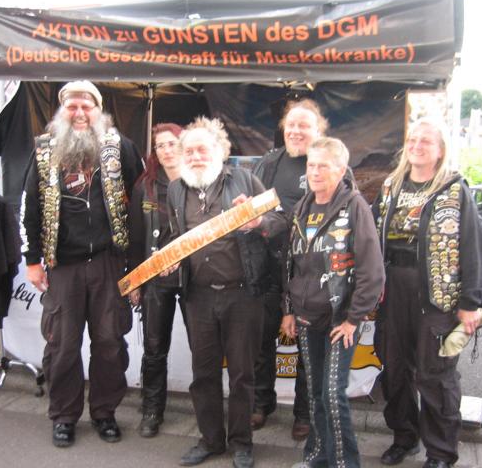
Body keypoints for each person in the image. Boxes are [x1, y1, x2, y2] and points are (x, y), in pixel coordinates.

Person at [22, 80, 143, 448]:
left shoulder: (121, 147)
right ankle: (64, 416)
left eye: (85, 106)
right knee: (62, 345)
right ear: (62, 111)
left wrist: (136, 264)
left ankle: (105, 412)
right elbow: (30, 207)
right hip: (63, 265)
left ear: (98, 110)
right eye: (71, 106)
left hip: (109, 262)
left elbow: (140, 204)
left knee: (109, 342)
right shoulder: (44, 150)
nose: (78, 113)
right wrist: (32, 261)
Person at [167, 117, 286, 468]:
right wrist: (172, 259)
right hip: (198, 296)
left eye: (202, 149)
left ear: (219, 150)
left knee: (242, 375)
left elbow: (279, 220)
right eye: (189, 151)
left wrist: (258, 222)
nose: (195, 156)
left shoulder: (245, 180)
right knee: (203, 374)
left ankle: (242, 443)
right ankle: (210, 440)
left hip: (243, 295)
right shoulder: (175, 189)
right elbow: (176, 236)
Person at [372, 118, 482, 468]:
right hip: (393, 289)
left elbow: (473, 246)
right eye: (412, 139)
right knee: (394, 368)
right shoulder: (391, 186)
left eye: (426, 141)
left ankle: (441, 453)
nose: (417, 146)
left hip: (437, 294)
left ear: (440, 150)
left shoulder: (454, 189)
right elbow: (371, 236)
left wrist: (471, 302)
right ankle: (404, 438)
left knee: (435, 375)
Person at [281, 137, 385, 468]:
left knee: (332, 394)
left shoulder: (355, 206)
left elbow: (372, 271)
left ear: (340, 170)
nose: (314, 172)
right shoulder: (302, 207)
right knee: (314, 393)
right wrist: (289, 310)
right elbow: (291, 263)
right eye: (311, 165)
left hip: (341, 319)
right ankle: (317, 455)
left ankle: (344, 463)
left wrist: (354, 319)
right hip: (307, 317)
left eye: (322, 166)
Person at [252, 98, 327, 440]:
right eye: (291, 125)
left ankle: (304, 413)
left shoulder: (329, 164)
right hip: (268, 267)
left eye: (304, 125)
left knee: (308, 348)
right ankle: (261, 402)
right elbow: (253, 210)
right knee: (261, 340)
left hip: (310, 271)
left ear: (318, 130)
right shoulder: (268, 163)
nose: (296, 131)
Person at [128, 123, 186, 438]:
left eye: (172, 143)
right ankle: (151, 410)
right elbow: (136, 238)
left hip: (193, 278)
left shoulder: (200, 181)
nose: (166, 150)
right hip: (154, 278)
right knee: (153, 347)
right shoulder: (145, 187)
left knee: (204, 347)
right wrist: (135, 279)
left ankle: (209, 414)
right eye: (160, 146)